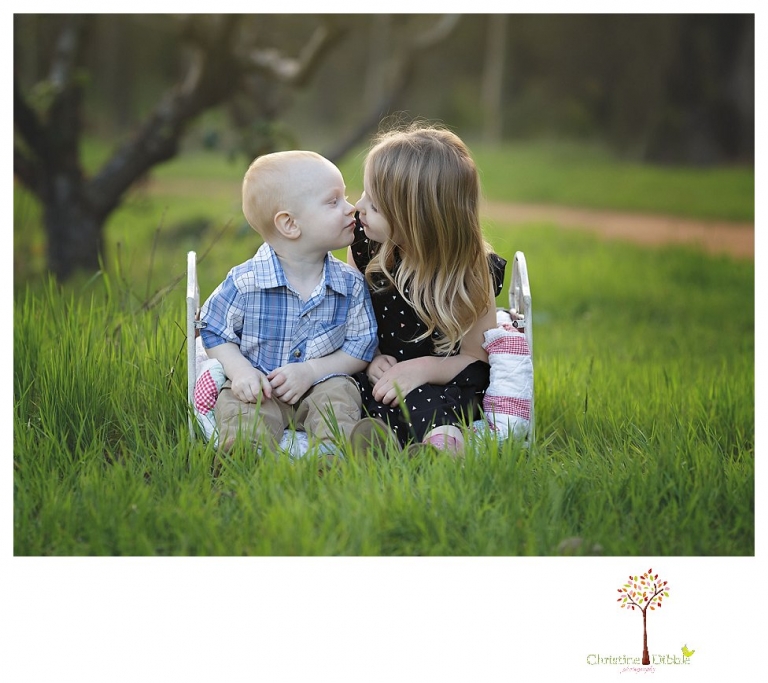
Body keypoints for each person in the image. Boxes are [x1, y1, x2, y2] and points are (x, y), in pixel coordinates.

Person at [199, 150, 378, 457]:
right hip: (261, 384)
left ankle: (334, 456)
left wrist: (311, 370)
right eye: (333, 201)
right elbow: (213, 330)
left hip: (321, 383)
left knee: (339, 398)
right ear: (290, 224)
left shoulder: (349, 284)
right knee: (242, 407)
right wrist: (240, 371)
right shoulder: (246, 282)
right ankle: (244, 454)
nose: (351, 209)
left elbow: (361, 346)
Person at [348, 123, 506, 456]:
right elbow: (350, 322)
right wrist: (370, 359)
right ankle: (377, 446)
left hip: (440, 380)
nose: (358, 206)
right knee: (355, 390)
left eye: (374, 205)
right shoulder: (365, 248)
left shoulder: (473, 271)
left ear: (416, 219)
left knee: (429, 401)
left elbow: (476, 361)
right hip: (379, 375)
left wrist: (421, 370)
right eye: (364, 193)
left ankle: (443, 450)